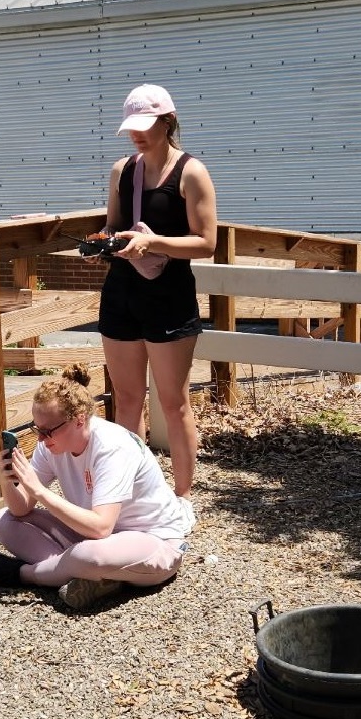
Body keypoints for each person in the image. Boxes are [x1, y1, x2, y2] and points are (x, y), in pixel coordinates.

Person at [95, 83, 217, 531]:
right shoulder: (121, 171)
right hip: (122, 292)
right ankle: (129, 495)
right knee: (126, 400)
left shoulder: (190, 172)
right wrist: (104, 243)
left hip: (169, 296)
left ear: (167, 121)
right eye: (132, 128)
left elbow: (206, 242)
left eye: (145, 127)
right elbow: (112, 225)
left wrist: (153, 241)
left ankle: (182, 499)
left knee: (173, 403)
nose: (137, 136)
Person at [0, 365, 190, 610]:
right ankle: (90, 576)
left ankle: (26, 575)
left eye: (47, 431)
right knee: (2, 521)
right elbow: (20, 511)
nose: (40, 438)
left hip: (153, 542)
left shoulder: (111, 447)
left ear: (79, 420)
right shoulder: (50, 444)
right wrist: (8, 479)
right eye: (36, 429)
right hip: (93, 538)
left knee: (88, 555)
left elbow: (101, 527)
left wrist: (39, 490)